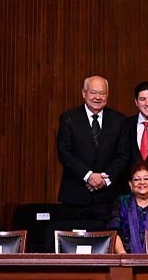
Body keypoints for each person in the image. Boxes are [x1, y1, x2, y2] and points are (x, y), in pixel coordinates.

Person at [57, 75, 130, 227]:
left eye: (102, 93)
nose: (97, 97)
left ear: (107, 95)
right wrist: (89, 176)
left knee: (108, 244)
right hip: (75, 196)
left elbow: (123, 156)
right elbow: (64, 153)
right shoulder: (69, 118)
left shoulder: (120, 120)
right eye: (93, 92)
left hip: (108, 198)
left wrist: (104, 180)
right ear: (84, 93)